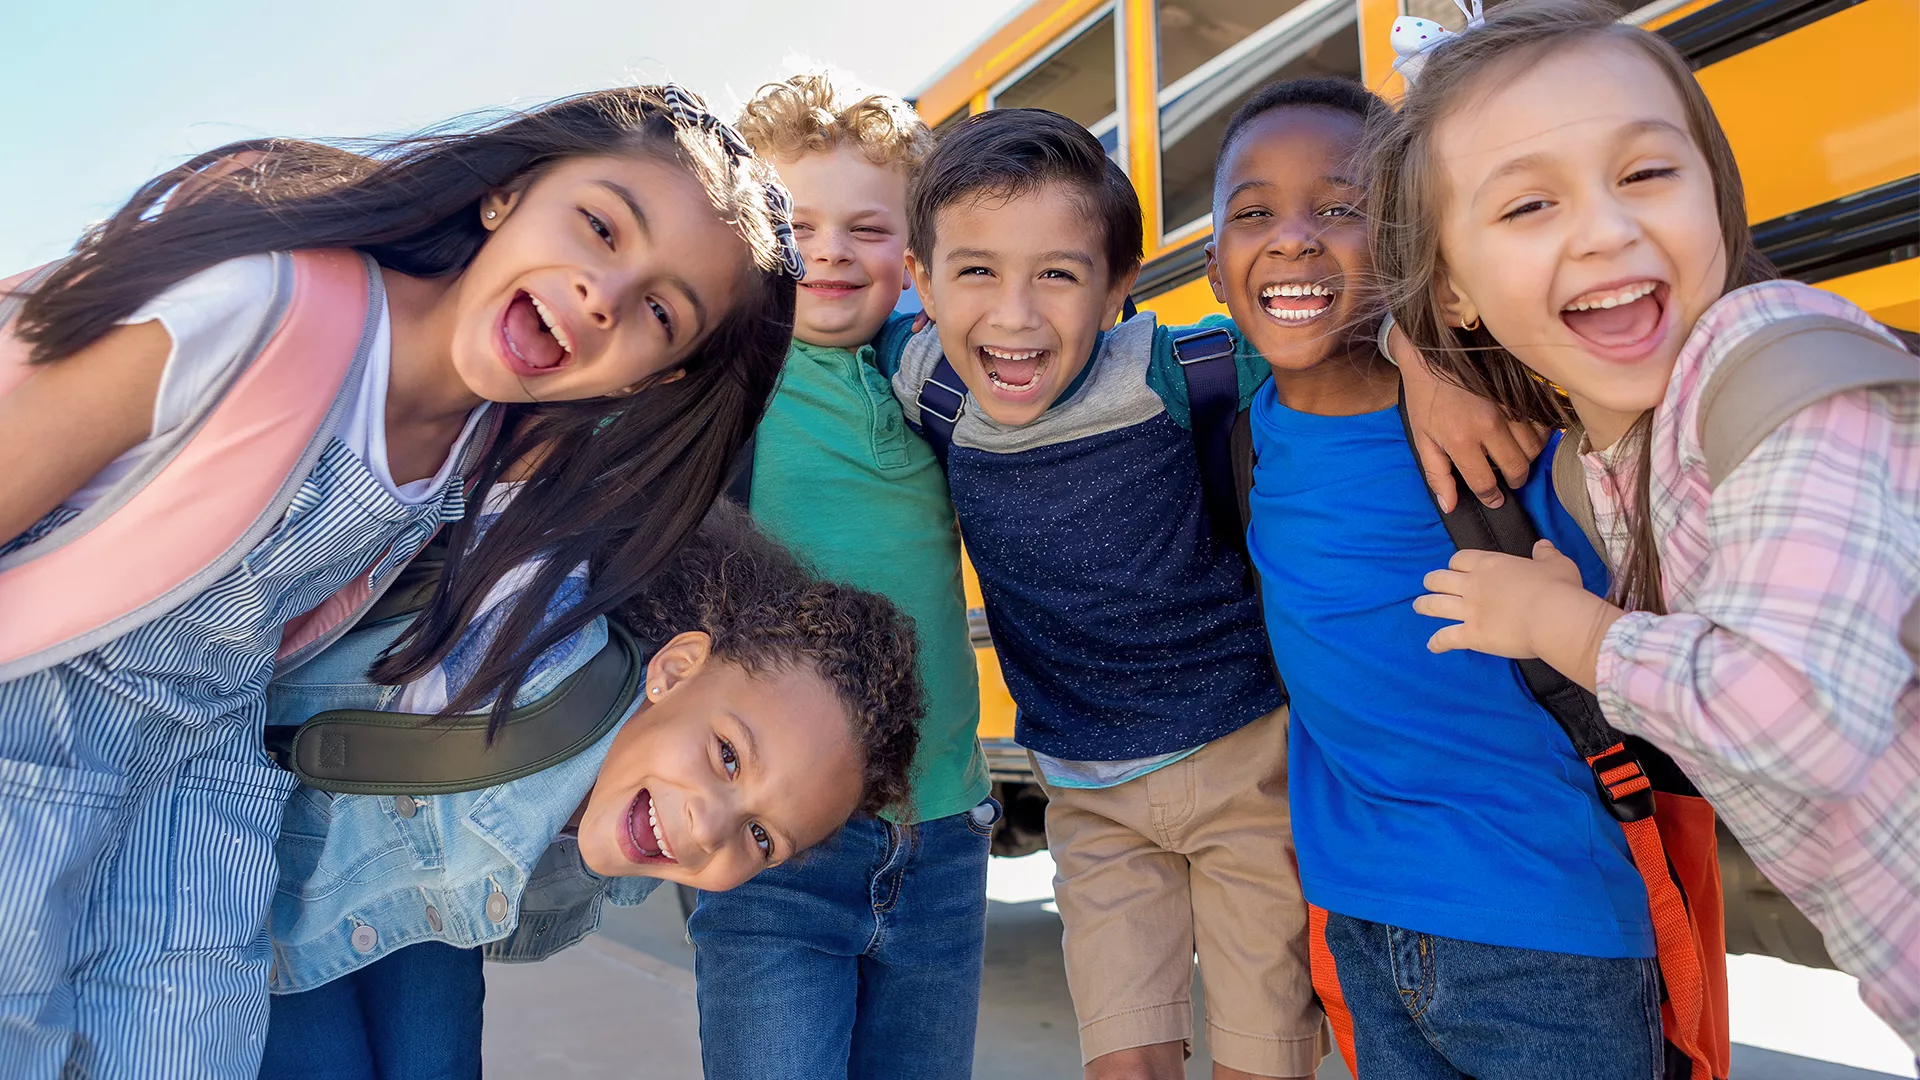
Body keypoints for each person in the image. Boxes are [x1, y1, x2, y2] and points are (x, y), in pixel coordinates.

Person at [0, 84, 799, 1078]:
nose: (606, 293)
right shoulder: (263, 311)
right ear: (507, 194)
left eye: (660, 313)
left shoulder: (484, 445)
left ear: (644, 379)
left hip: (197, 777)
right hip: (33, 731)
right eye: (599, 225)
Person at [878, 105, 1525, 1080]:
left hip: (1247, 768)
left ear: (1117, 289)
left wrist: (1425, 360)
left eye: (1057, 273)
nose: (1013, 313)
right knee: (1121, 1058)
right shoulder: (922, 383)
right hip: (1090, 796)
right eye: (976, 271)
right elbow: (808, 325)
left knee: (1263, 1055)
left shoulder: (1188, 370)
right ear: (921, 282)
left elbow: (1332, 318)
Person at [1376, 0, 1920, 1052]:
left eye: (1646, 174)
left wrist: (1561, 626)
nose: (1606, 229)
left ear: (1714, 191)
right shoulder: (1614, 444)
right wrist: (1414, 354)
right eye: (1529, 205)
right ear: (1455, 290)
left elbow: (1793, 720)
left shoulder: (1773, 350)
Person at [1215, 75, 1667, 1078]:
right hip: (1363, 924)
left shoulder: (1502, 427)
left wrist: (1422, 345)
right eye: (1253, 213)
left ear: (1417, 243)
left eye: (1341, 208)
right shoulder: (1246, 437)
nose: (1292, 236)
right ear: (1213, 266)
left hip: (1544, 931)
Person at [260, 502, 924, 1080]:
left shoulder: (630, 823)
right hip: (253, 875)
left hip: (402, 917)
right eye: (727, 756)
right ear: (676, 669)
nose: (708, 828)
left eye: (761, 836)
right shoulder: (518, 662)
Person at [681, 72, 999, 1080]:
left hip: (942, 835)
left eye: (867, 230)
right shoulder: (726, 388)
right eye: (795, 222)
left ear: (911, 255)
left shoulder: (939, 380)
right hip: (771, 841)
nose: (828, 251)